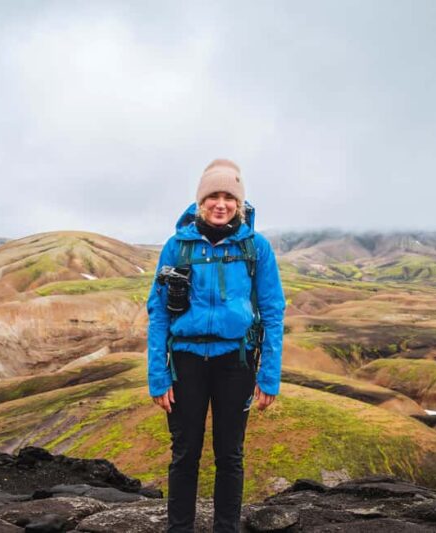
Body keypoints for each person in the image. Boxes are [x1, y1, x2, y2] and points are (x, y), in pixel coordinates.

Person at [147, 159, 285, 532]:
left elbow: (274, 311)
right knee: (184, 454)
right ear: (199, 202)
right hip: (185, 363)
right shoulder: (177, 247)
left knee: (230, 455)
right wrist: (157, 376)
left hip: (235, 363)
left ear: (239, 204)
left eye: (229, 197)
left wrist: (269, 375)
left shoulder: (257, 248)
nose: (220, 204)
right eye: (213, 196)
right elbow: (158, 312)